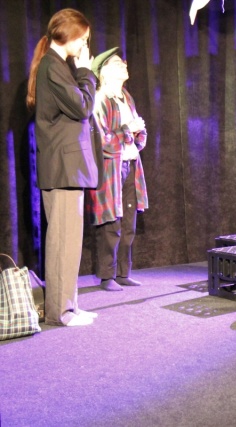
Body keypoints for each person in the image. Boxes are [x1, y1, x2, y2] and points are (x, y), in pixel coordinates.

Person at [26, 8, 102, 326]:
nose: (85, 46)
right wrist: (86, 72)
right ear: (68, 35)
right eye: (82, 39)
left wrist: (80, 71)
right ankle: (60, 312)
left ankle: (69, 305)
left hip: (68, 168)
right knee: (62, 243)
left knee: (69, 242)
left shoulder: (57, 65)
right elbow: (83, 107)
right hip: (62, 168)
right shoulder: (52, 66)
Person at [87, 47, 148, 292]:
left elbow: (137, 134)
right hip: (111, 168)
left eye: (123, 61)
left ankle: (123, 272)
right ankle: (107, 276)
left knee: (129, 222)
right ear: (104, 72)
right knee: (111, 223)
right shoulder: (100, 100)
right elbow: (101, 141)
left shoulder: (126, 97)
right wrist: (127, 130)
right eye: (116, 63)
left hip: (130, 164)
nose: (124, 64)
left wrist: (137, 132)